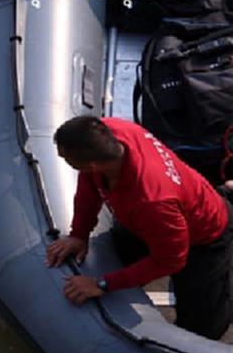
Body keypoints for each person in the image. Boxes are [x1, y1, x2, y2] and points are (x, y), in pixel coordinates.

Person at [45, 115, 232, 340]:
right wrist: (79, 234)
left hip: (204, 237)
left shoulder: (152, 201)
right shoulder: (111, 130)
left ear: (92, 164)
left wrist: (102, 284)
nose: (60, 157)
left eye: (65, 157)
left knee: (203, 330)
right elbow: (89, 183)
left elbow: (171, 260)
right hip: (146, 223)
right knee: (120, 257)